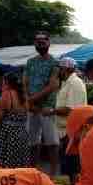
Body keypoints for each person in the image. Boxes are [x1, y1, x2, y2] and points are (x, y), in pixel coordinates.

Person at [24, 32, 61, 176]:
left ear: (49, 42)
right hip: (32, 108)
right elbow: (25, 82)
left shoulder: (55, 63)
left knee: (52, 142)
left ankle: (53, 174)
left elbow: (52, 86)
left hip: (47, 107)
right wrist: (28, 100)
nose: (40, 43)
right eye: (37, 40)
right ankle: (34, 172)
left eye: (43, 40)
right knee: (32, 142)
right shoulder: (30, 62)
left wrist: (30, 100)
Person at [52, 57, 87, 176]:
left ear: (65, 69)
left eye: (59, 69)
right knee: (67, 166)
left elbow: (70, 109)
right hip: (65, 131)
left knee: (71, 167)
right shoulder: (66, 83)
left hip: (72, 132)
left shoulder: (74, 83)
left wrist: (52, 111)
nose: (58, 72)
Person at [0, 72, 32, 168]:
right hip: (22, 132)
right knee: (21, 160)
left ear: (6, 82)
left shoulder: (7, 94)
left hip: (9, 133)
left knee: (9, 161)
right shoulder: (23, 95)